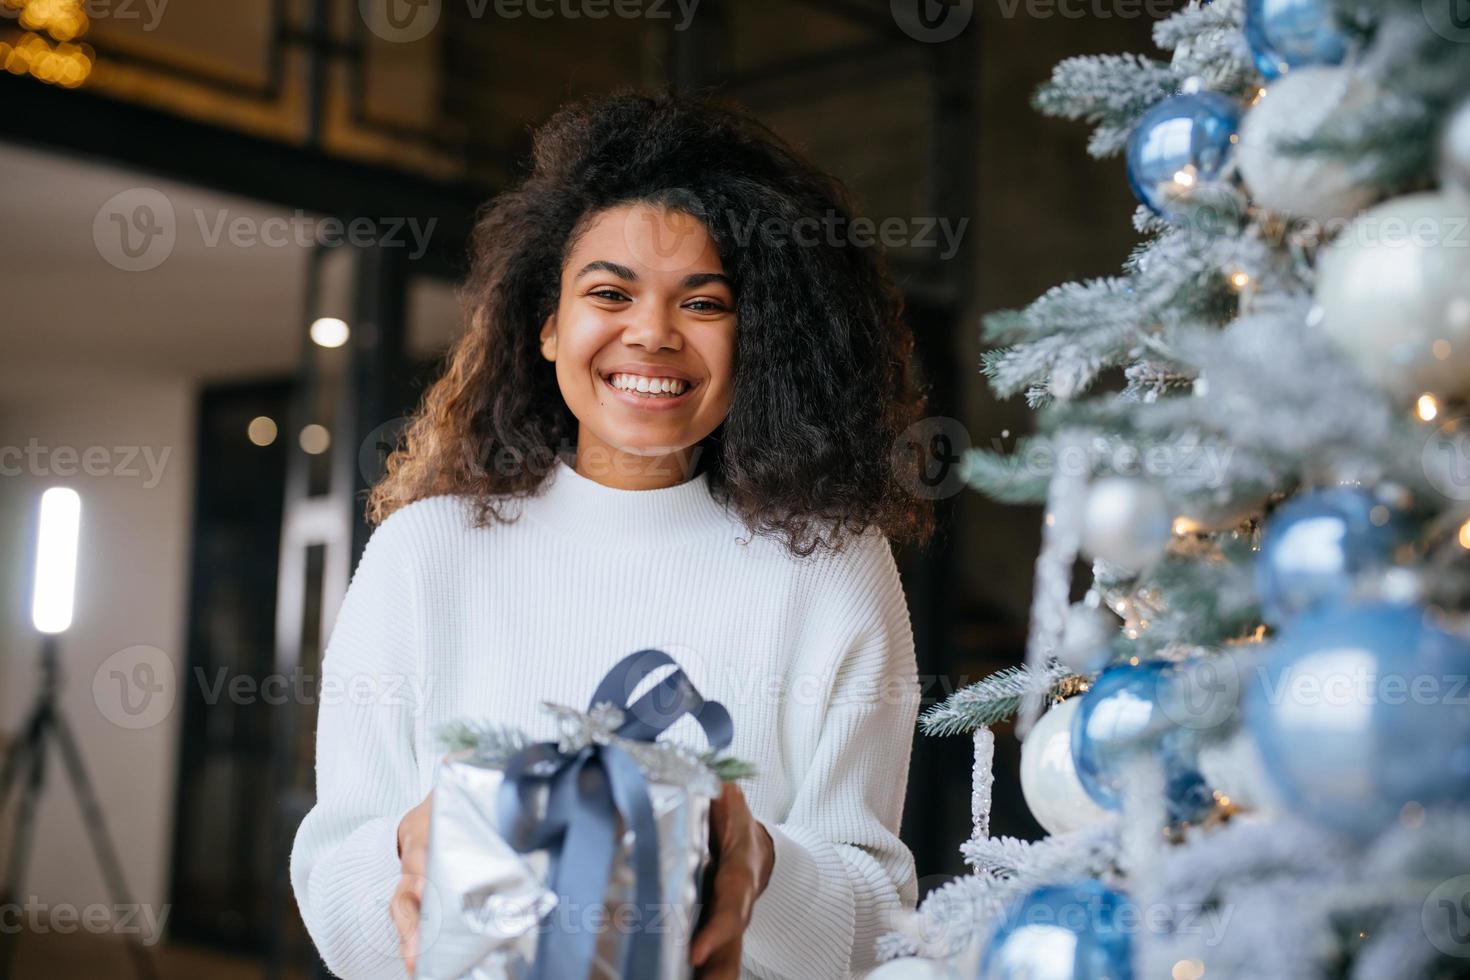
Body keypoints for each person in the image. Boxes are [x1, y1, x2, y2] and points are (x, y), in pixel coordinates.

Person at [289, 86, 935, 980]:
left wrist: (759, 858)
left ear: (762, 340)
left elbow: (873, 920)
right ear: (549, 326)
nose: (653, 334)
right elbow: (332, 874)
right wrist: (410, 847)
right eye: (609, 292)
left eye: (705, 304)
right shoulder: (425, 552)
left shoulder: (830, 567)